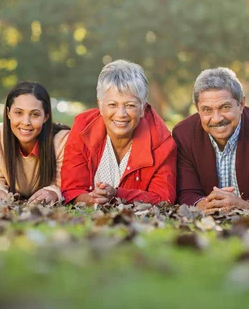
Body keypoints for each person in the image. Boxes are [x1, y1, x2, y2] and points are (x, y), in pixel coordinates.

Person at [61, 60, 176, 205]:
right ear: (100, 105)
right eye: (112, 105)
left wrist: (117, 194)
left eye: (130, 105)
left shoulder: (162, 142)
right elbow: (71, 188)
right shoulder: (83, 127)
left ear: (142, 108)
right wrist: (92, 199)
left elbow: (163, 198)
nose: (121, 114)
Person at [172, 68, 249, 213]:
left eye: (225, 107)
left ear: (241, 104)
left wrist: (244, 205)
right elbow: (185, 192)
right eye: (207, 110)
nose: (217, 118)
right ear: (197, 109)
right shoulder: (183, 135)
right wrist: (204, 204)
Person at [0, 82, 70, 203]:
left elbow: (62, 184)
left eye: (35, 114)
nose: (26, 122)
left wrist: (53, 192)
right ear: (8, 113)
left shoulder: (61, 141)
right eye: (18, 113)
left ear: (46, 117)